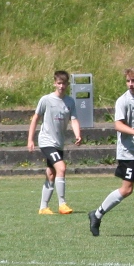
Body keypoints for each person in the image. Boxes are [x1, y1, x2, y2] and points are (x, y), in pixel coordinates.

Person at [89, 67, 134, 236]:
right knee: (127, 189)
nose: (130, 84)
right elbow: (118, 125)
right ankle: (97, 214)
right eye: (128, 81)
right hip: (128, 151)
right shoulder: (123, 101)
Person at [27, 70, 82, 215]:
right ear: (54, 83)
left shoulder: (70, 102)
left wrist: (78, 134)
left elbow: (74, 120)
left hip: (59, 143)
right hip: (46, 141)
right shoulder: (46, 100)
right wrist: (30, 139)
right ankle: (62, 204)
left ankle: (43, 207)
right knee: (61, 168)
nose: (61, 86)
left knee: (51, 173)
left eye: (64, 84)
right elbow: (35, 118)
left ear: (68, 84)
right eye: (59, 83)